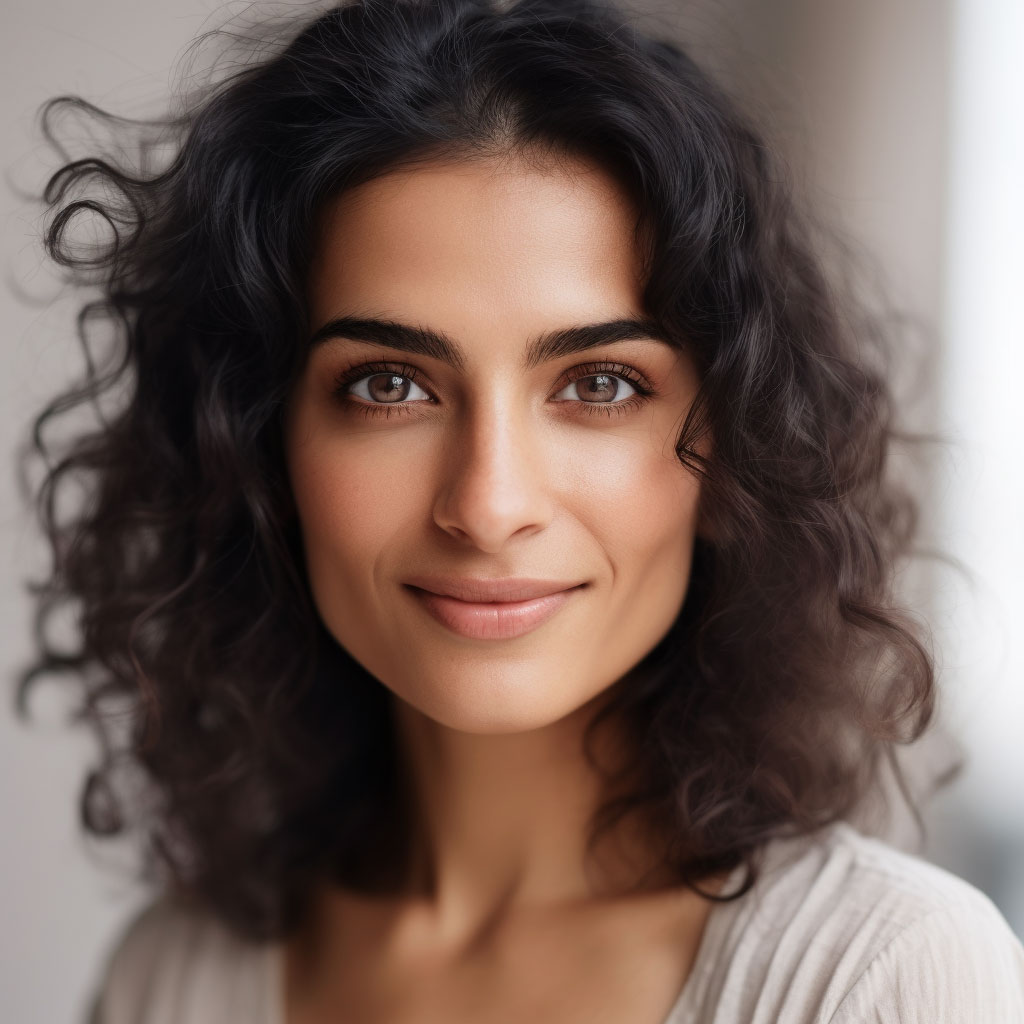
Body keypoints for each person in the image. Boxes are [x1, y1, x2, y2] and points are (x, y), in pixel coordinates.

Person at [15, 0, 1024, 1021]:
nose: (488, 506)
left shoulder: (881, 977)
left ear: (735, 454)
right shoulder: (177, 976)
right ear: (258, 453)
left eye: (597, 385)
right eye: (388, 386)